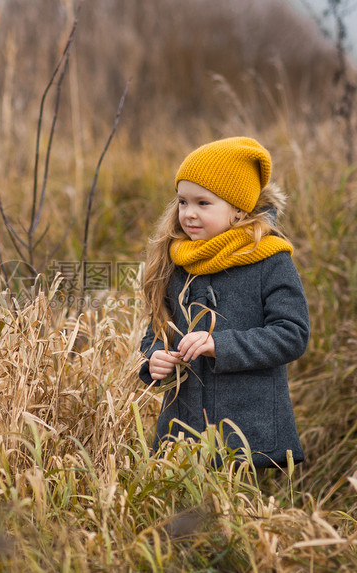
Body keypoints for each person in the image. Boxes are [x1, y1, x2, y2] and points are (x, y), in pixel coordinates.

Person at [138, 136, 310, 469]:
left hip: (250, 437)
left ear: (238, 209)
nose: (188, 213)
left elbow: (292, 334)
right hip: (183, 436)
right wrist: (153, 359)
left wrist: (220, 344)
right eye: (183, 202)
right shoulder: (178, 261)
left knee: (240, 519)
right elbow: (157, 331)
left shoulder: (270, 260)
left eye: (203, 203)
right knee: (183, 518)